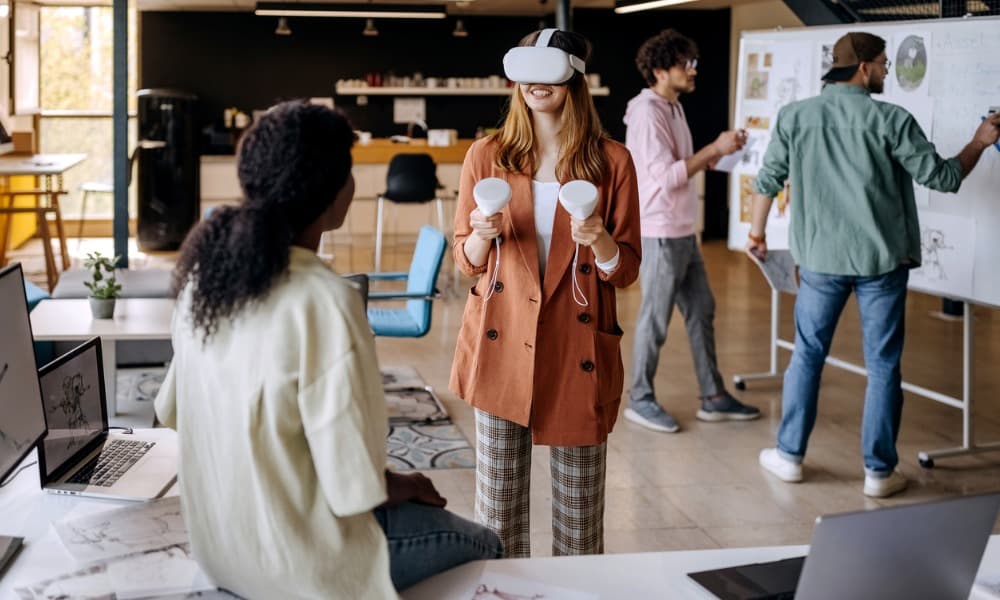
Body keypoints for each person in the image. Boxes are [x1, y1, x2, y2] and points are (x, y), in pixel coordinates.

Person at [155, 101, 501, 599]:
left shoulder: (204, 284)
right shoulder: (327, 301)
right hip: (300, 562)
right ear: (335, 191)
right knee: (488, 545)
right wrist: (410, 485)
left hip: (219, 550)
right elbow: (355, 488)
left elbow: (170, 410)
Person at [748, 32, 1000, 498]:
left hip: (820, 260)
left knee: (806, 355)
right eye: (883, 64)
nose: (887, 71)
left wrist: (757, 234)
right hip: (881, 262)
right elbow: (943, 178)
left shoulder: (795, 117)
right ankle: (879, 473)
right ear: (863, 68)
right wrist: (979, 142)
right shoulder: (891, 120)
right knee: (883, 365)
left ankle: (789, 457)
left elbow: (767, 181)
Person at [450, 29, 641, 557]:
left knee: (580, 527)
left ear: (574, 76)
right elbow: (463, 259)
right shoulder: (486, 155)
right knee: (497, 519)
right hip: (500, 344)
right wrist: (480, 240)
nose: (535, 83)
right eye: (525, 71)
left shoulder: (612, 162)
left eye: (549, 70)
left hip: (577, 351)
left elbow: (624, 272)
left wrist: (602, 241)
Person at [623, 29, 761, 433]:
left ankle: (713, 396)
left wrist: (721, 156)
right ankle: (640, 398)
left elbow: (683, 164)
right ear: (661, 70)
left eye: (694, 63)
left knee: (702, 310)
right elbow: (666, 178)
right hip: (661, 230)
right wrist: (715, 149)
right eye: (686, 64)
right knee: (656, 318)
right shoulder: (648, 113)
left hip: (682, 229)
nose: (693, 70)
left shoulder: (673, 107)